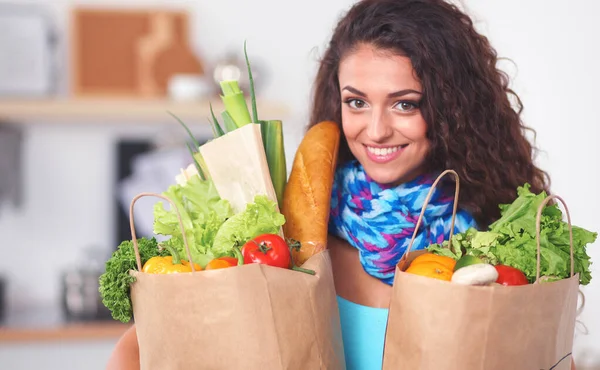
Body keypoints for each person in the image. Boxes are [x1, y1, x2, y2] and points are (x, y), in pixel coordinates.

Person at [107, 0, 575, 369]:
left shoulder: (492, 246)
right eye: (356, 102)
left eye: (405, 104)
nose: (374, 131)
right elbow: (140, 350)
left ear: (454, 111)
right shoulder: (285, 237)